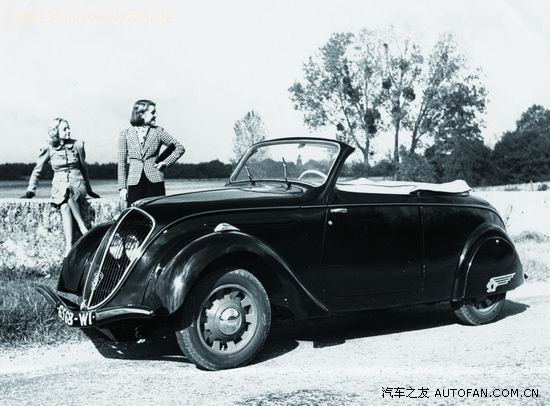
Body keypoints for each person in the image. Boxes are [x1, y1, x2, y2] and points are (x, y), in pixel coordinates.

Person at [22, 118, 100, 257]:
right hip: (59, 187)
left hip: (78, 184)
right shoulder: (48, 148)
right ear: (55, 132)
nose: (68, 130)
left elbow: (84, 168)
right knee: (64, 207)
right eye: (65, 129)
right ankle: (69, 246)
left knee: (68, 190)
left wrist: (89, 189)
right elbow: (37, 170)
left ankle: (82, 227)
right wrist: (30, 191)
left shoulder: (78, 145)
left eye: (68, 127)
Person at [118, 99, 185, 205]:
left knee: (157, 211)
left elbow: (179, 148)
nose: (156, 115)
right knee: (136, 213)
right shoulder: (125, 134)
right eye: (152, 112)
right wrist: (122, 188)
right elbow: (121, 163)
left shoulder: (158, 131)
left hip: (156, 182)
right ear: (141, 114)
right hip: (134, 183)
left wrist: (165, 163)